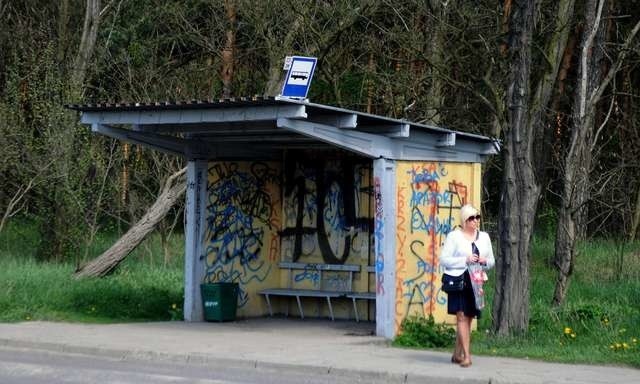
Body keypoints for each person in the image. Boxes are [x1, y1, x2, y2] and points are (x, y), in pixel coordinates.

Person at [439, 204, 495, 367]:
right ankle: (467, 356)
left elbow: (491, 261)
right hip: (459, 279)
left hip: (476, 280)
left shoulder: (484, 237)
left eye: (477, 217)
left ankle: (457, 353)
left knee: (469, 317)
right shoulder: (454, 237)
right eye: (471, 218)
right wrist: (465, 259)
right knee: (461, 316)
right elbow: (444, 259)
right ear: (464, 220)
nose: (475, 221)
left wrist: (484, 261)